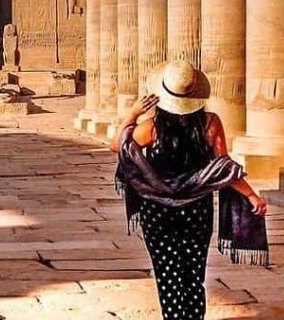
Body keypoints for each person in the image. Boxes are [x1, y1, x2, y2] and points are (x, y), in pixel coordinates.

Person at [111, 60, 269, 320]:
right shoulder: (210, 123)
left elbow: (118, 146)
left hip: (158, 210)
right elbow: (222, 167)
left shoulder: (151, 128)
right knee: (194, 276)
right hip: (197, 210)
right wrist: (251, 194)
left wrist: (132, 114)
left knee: (168, 275)